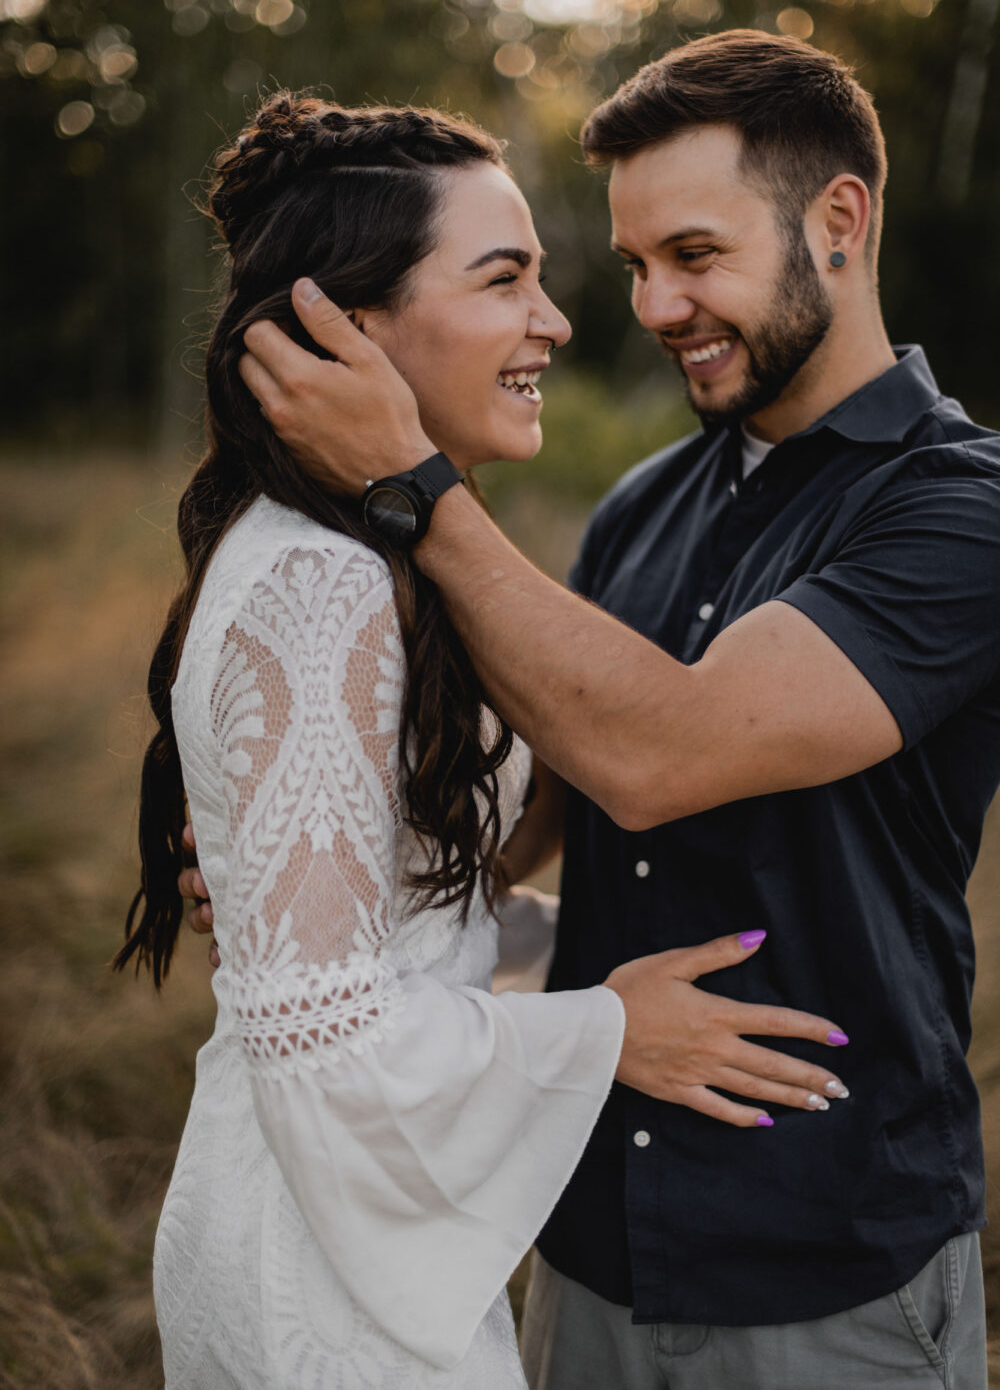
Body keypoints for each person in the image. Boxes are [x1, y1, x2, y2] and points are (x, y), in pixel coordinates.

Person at [228, 35, 1000, 1389]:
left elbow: (657, 752)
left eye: (693, 255)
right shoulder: (648, 499)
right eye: (637, 264)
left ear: (838, 222)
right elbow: (556, 795)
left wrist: (410, 486)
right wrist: (322, 853)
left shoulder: (958, 508)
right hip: (580, 1235)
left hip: (827, 1263)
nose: (654, 304)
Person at [117, 92, 850, 1390]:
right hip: (318, 1284)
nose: (559, 322)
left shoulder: (389, 558)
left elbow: (410, 924)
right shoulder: (316, 588)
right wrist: (606, 1030)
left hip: (344, 1241)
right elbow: (326, 1049)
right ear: (345, 322)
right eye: (506, 277)